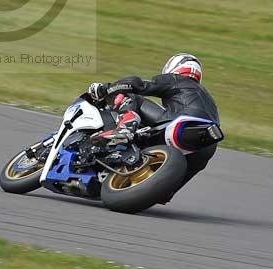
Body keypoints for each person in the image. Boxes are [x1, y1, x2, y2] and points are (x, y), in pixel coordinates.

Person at [88, 53, 220, 199]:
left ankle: (124, 129)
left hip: (180, 124)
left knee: (133, 97)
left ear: (175, 67)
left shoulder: (176, 79)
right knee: (198, 161)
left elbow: (137, 85)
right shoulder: (209, 99)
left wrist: (107, 89)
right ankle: (167, 191)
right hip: (208, 143)